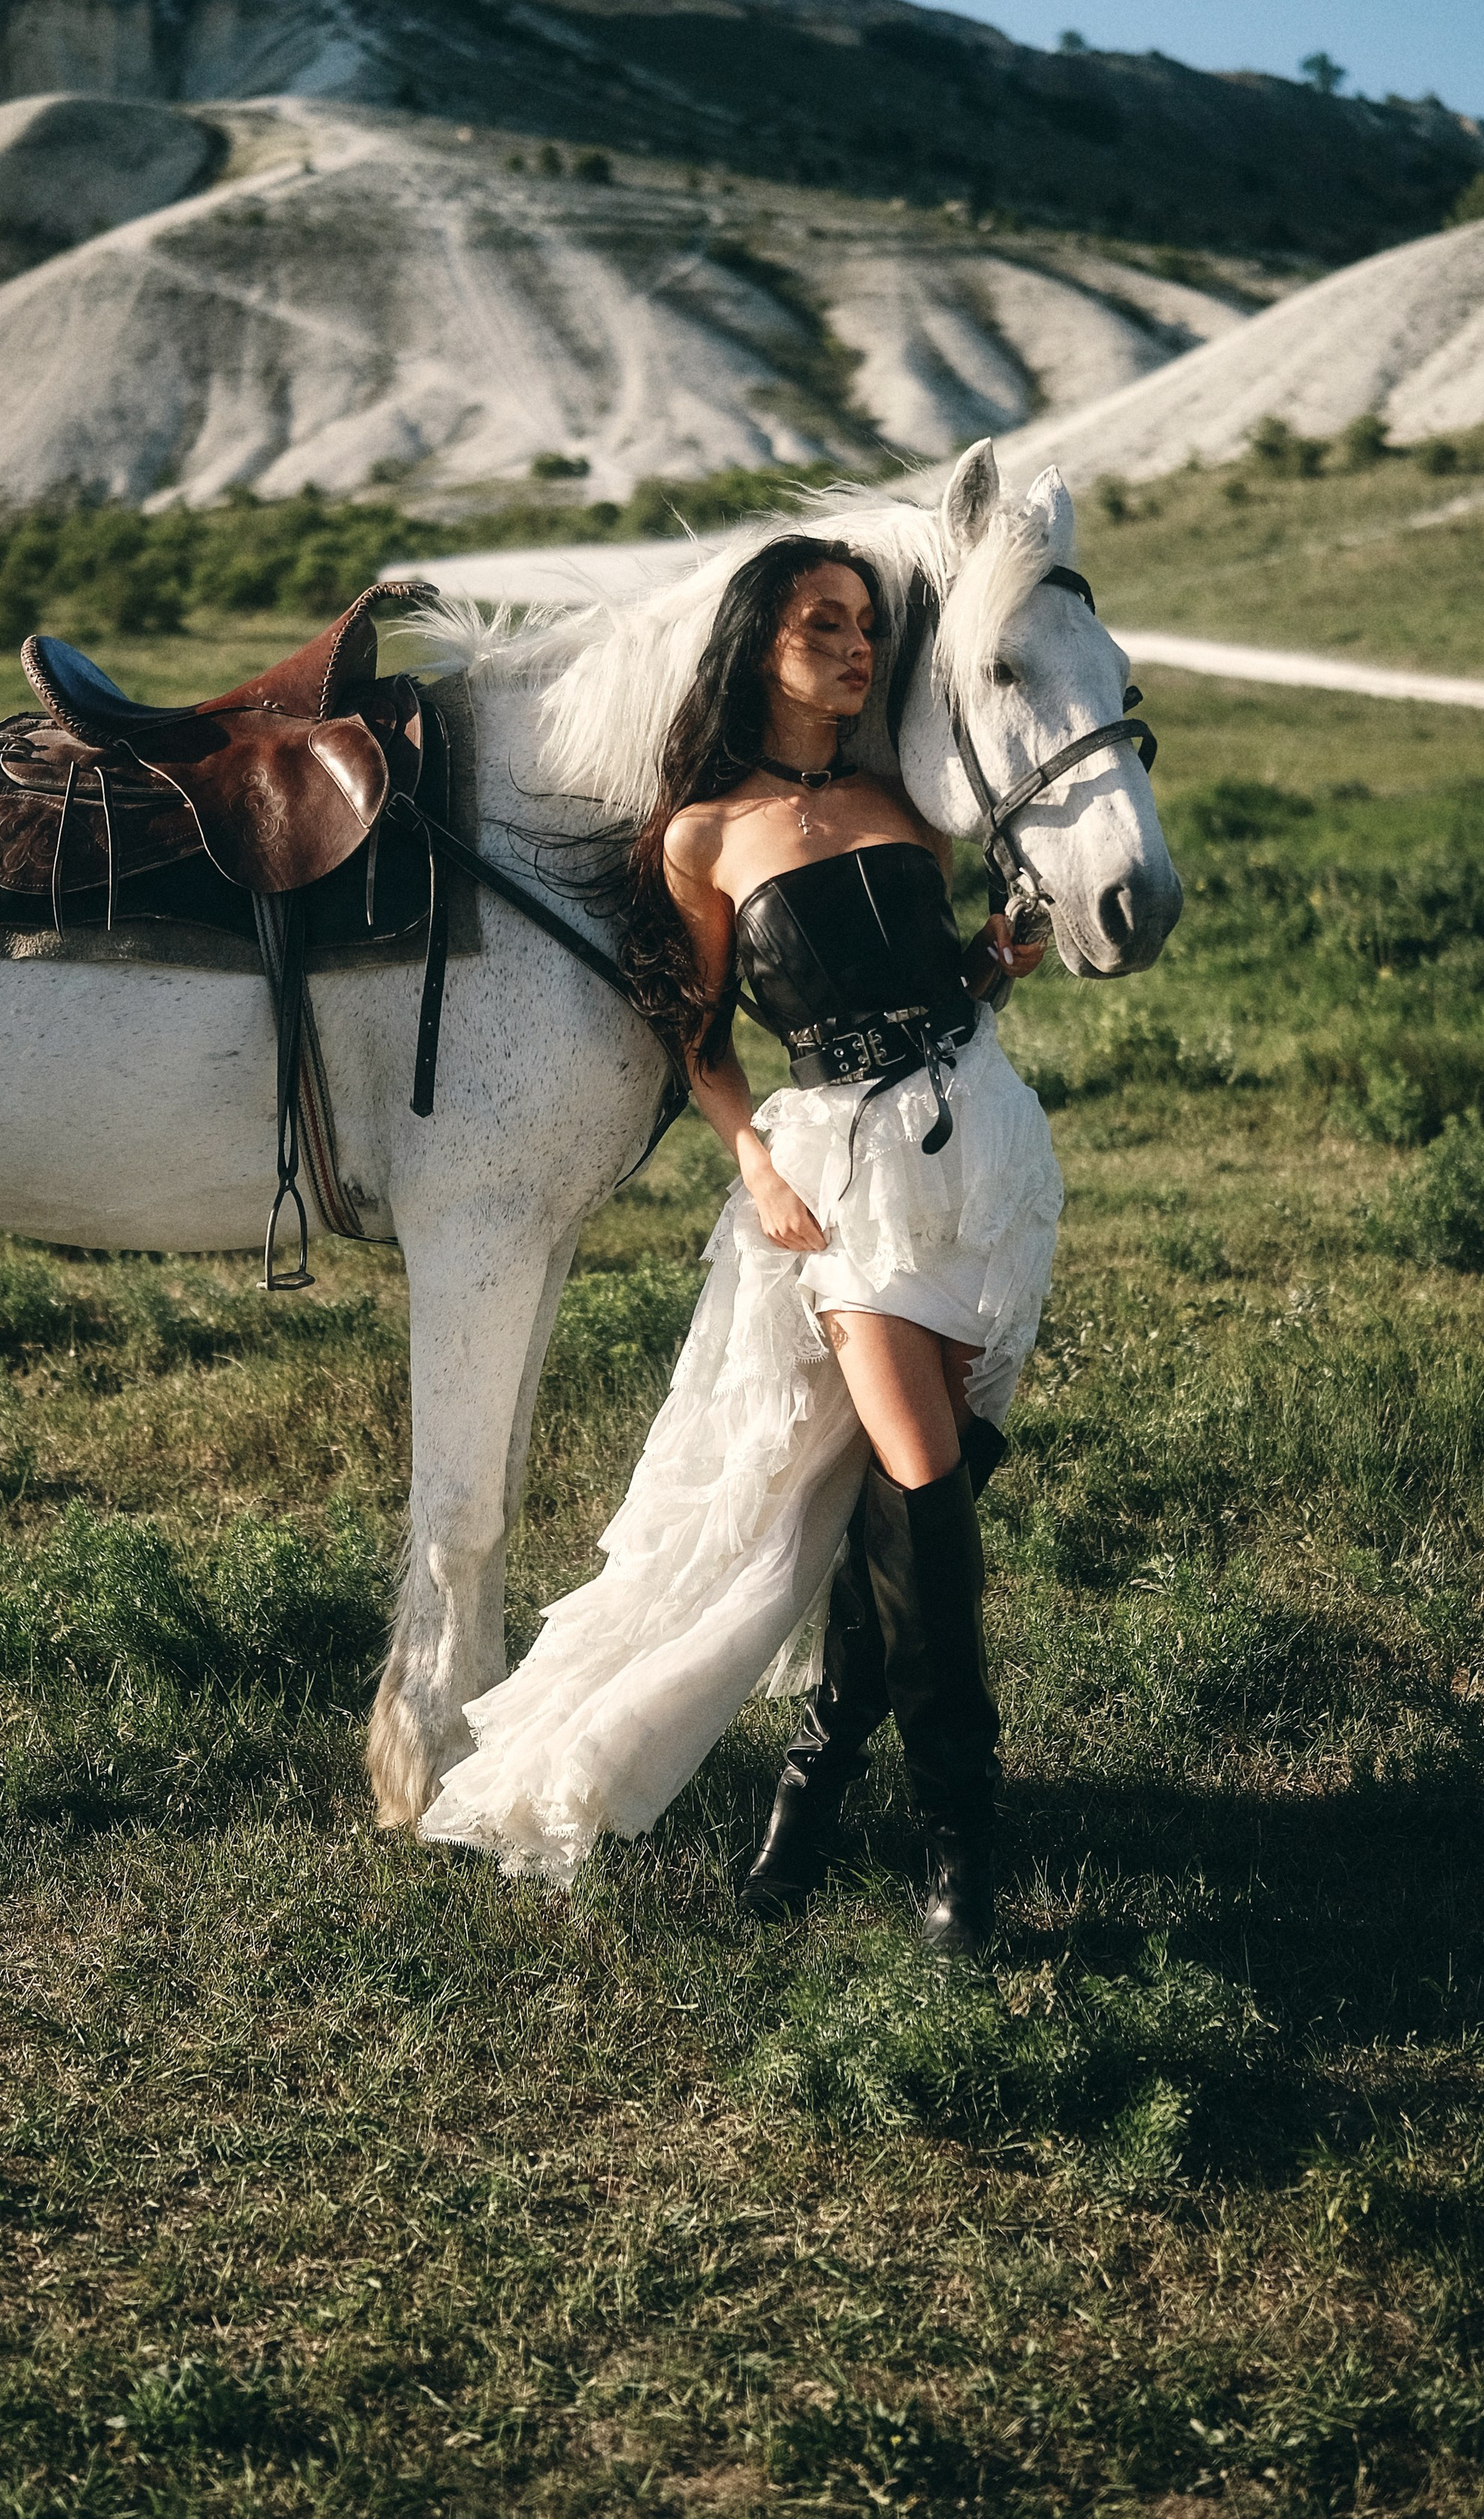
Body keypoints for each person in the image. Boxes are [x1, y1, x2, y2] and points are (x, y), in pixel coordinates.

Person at [420, 536, 1064, 1954]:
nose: (853, 648)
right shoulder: (702, 835)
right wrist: (754, 1160)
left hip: (982, 1153)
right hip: (841, 1186)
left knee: (905, 1499)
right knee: (926, 1477)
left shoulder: (910, 803)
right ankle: (963, 1851)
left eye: (864, 628)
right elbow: (701, 1038)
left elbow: (929, 979)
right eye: (821, 624)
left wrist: (991, 966)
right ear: (757, 646)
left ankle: (812, 1793)